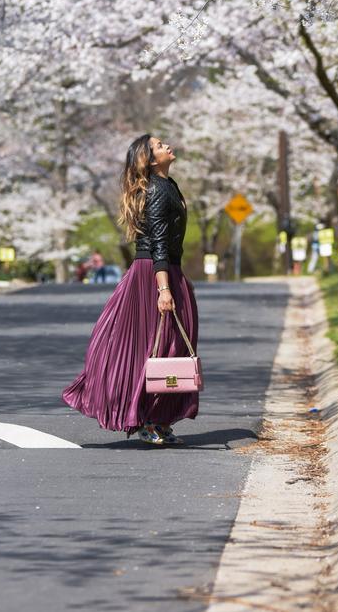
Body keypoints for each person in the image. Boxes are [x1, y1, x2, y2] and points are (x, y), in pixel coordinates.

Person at [61, 134, 199, 445]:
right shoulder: (158, 190)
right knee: (155, 344)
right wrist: (164, 290)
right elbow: (159, 243)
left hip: (165, 270)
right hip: (154, 273)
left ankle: (158, 416)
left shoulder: (168, 185)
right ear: (150, 160)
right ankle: (146, 417)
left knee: (168, 344)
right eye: (160, 145)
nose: (167, 146)